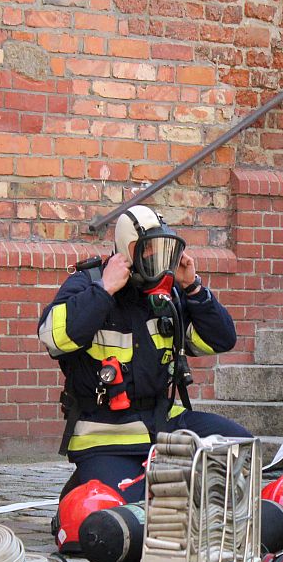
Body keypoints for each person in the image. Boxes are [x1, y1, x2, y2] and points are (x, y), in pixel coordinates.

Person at [39, 205, 250, 503]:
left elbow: (221, 339)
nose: (157, 260)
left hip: (163, 423)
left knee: (241, 448)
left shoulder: (167, 297)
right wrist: (104, 289)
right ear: (129, 249)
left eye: (164, 251)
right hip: (106, 434)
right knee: (134, 507)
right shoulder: (88, 283)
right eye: (149, 251)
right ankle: (86, 487)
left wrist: (193, 288)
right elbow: (52, 338)